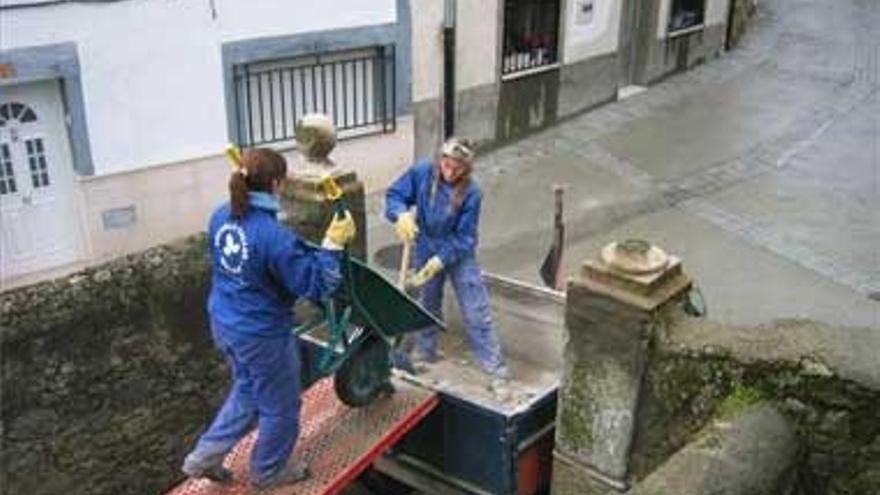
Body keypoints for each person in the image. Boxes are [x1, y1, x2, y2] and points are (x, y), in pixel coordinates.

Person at [181, 148, 356, 488]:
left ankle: (203, 457)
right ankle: (269, 470)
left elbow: (252, 262)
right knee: (281, 405)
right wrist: (333, 245)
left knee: (247, 390)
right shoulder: (275, 238)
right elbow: (318, 285)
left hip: (225, 321)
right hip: (261, 335)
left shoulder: (220, 216)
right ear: (276, 184)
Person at [386, 138, 508, 379]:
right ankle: (425, 350)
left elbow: (466, 237)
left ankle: (494, 366)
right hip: (425, 244)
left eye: (458, 168)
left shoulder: (472, 193)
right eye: (447, 165)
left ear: (467, 169)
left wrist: (441, 260)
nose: (451, 172)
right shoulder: (422, 173)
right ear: (440, 159)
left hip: (458, 252)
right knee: (427, 303)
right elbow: (395, 194)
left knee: (475, 309)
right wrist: (400, 215)